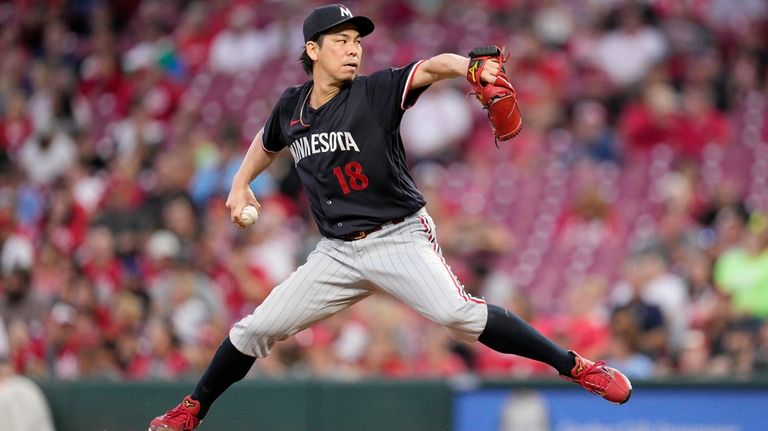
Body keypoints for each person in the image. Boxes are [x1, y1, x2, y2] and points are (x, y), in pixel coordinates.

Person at [149, 4, 632, 430]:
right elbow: (268, 139)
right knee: (253, 331)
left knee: (456, 314)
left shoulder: (374, 92)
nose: (353, 50)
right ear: (313, 49)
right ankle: (191, 409)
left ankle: (574, 366)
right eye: (341, 41)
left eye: (357, 41)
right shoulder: (292, 106)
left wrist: (469, 69)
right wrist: (239, 183)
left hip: (398, 237)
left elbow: (432, 67)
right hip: (337, 252)